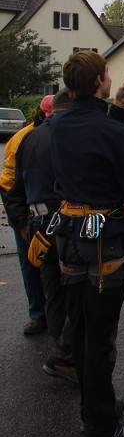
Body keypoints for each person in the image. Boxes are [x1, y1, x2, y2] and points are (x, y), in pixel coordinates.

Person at [49, 51, 124, 437]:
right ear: (99, 80)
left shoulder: (56, 124)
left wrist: (116, 109)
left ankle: (96, 408)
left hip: (68, 239)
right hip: (102, 243)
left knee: (81, 329)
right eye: (107, 75)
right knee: (99, 337)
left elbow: (91, 142)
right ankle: (99, 429)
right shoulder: (111, 134)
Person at [3, 88, 77, 384]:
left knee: (52, 290)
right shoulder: (69, 137)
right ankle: (66, 354)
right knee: (73, 288)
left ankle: (60, 346)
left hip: (36, 222)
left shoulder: (24, 139)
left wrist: (22, 223)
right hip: (65, 221)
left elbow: (11, 186)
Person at [0, 96, 53, 334]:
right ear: (42, 115)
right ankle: (38, 314)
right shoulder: (21, 139)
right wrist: (19, 222)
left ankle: (57, 315)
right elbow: (9, 185)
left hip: (56, 216)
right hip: (29, 216)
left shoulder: (62, 134)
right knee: (30, 264)